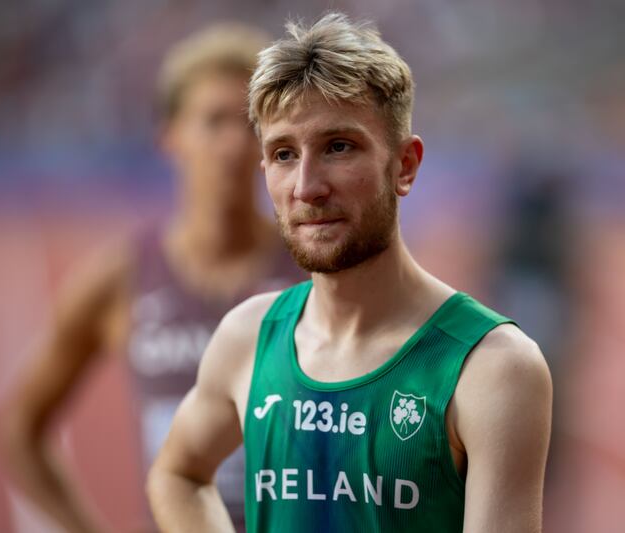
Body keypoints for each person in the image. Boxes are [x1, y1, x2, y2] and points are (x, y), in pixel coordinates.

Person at [147, 12, 552, 532]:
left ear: (405, 165)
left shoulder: (491, 369)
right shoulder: (247, 337)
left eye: (338, 147)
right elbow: (177, 474)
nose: (306, 187)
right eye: (284, 154)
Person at [0, 24, 302, 532]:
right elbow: (20, 428)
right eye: (214, 121)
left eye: (249, 124)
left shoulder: (311, 269)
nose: (233, 144)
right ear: (171, 136)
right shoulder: (121, 278)